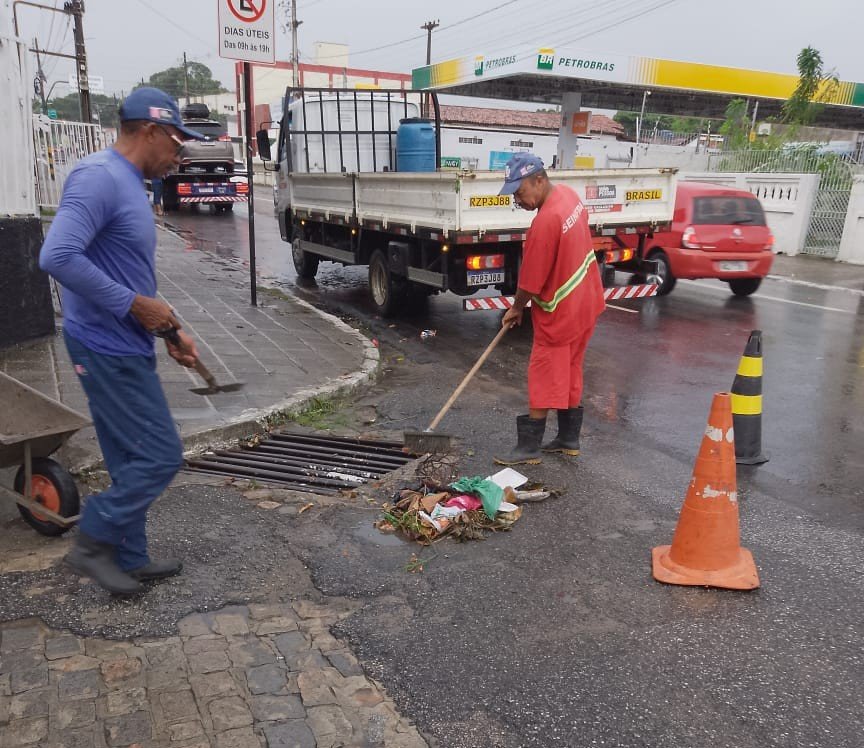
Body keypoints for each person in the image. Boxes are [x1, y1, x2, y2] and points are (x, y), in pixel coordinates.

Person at [39, 87, 205, 595]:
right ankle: (92, 542)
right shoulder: (99, 178)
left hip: (128, 339)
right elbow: (57, 257)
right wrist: (135, 307)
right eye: (177, 143)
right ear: (150, 130)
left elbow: (125, 270)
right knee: (159, 455)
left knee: (128, 458)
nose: (179, 156)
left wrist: (169, 329)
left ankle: (130, 557)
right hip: (103, 345)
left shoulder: (133, 182)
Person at [493, 154, 606, 466]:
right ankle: (568, 439)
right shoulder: (568, 197)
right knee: (570, 370)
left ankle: (529, 448)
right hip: (587, 303)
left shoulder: (544, 222)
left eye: (520, 192)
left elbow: (530, 280)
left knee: (543, 374)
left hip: (561, 315)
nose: (518, 200)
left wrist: (516, 308)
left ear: (539, 180)